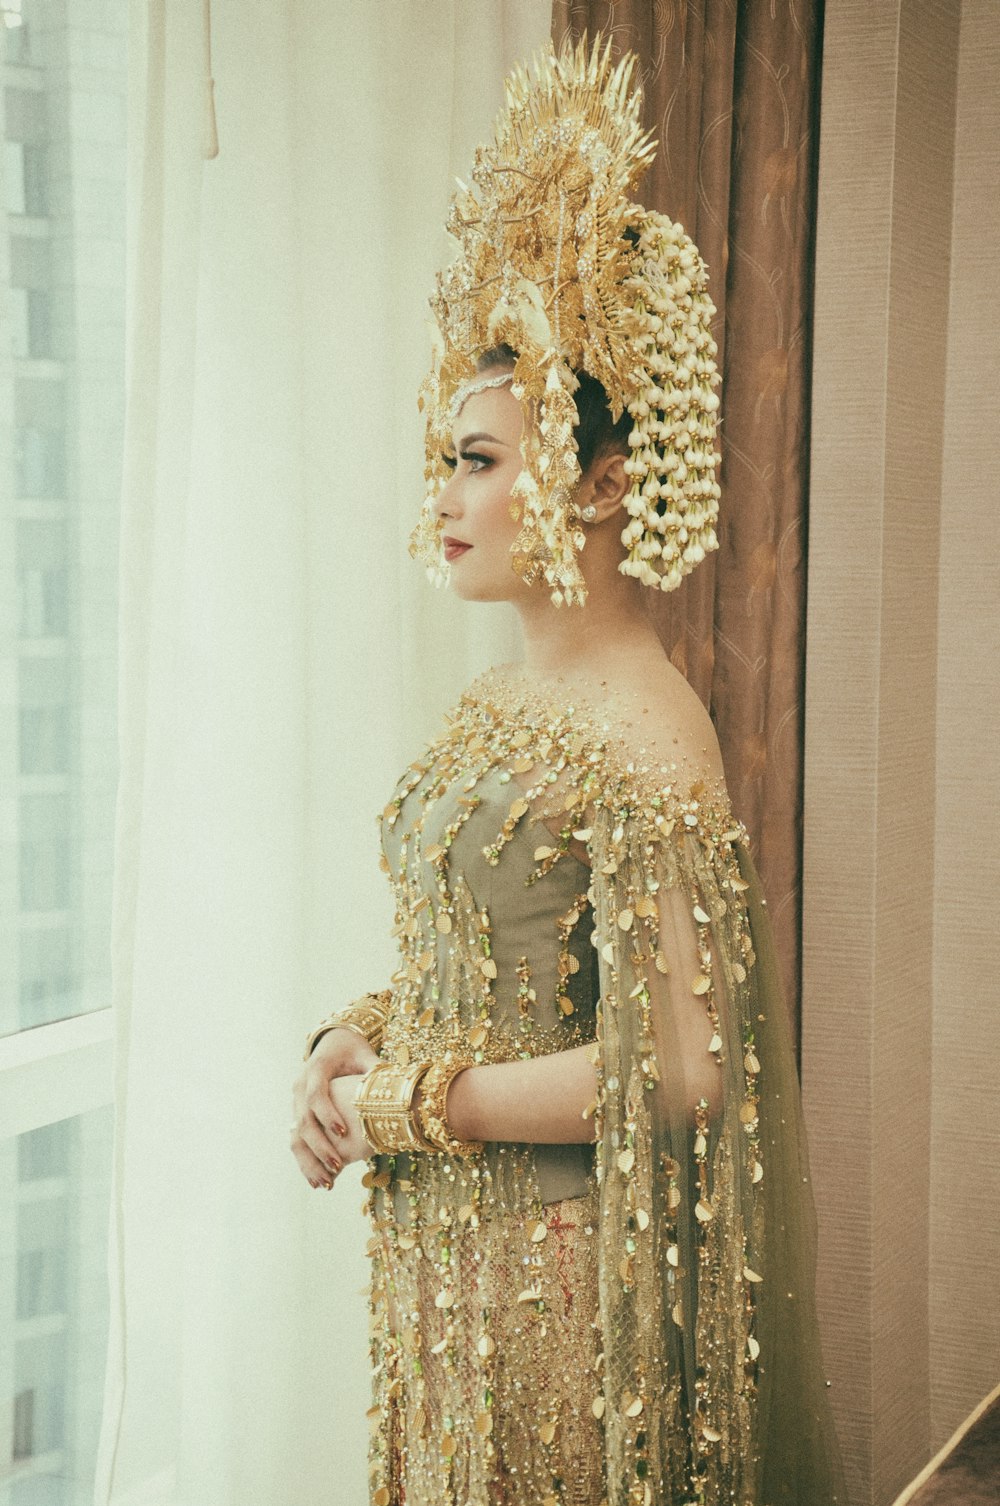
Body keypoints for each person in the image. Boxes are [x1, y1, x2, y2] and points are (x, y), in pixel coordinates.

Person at [289, 38, 844, 1506]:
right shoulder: (498, 695)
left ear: (602, 480)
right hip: (445, 1273)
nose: (446, 494)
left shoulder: (645, 727)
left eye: (478, 457)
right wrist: (351, 1042)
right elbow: (495, 963)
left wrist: (417, 1102)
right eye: (443, 458)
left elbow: (680, 1064)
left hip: (553, 1297)